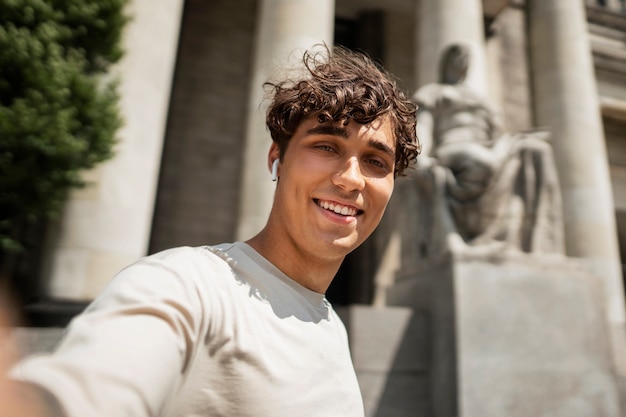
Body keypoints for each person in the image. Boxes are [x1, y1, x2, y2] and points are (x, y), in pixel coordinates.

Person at [5, 44, 419, 417]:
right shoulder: (189, 283)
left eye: (375, 162)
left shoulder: (329, 323)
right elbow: (86, 392)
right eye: (327, 146)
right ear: (278, 157)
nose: (351, 179)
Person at [412, 43, 563, 255]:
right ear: (446, 61)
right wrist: (421, 157)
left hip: (485, 147)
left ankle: (535, 244)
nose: (462, 60)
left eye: (466, 57)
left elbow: (496, 133)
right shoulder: (433, 92)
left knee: (537, 150)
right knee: (482, 160)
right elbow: (423, 127)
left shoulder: (480, 99)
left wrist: (509, 142)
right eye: (457, 55)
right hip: (451, 148)